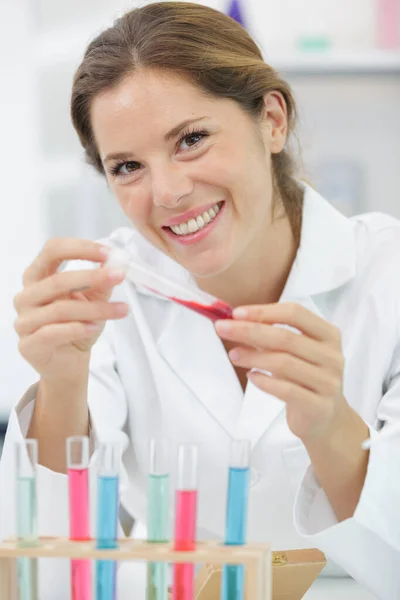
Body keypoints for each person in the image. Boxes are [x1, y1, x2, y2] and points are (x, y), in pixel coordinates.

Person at [1, 2, 400, 598]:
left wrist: (329, 426)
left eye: (191, 139)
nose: (167, 192)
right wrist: (62, 380)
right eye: (128, 166)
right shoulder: (106, 296)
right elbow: (48, 571)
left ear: (270, 119)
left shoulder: (386, 277)